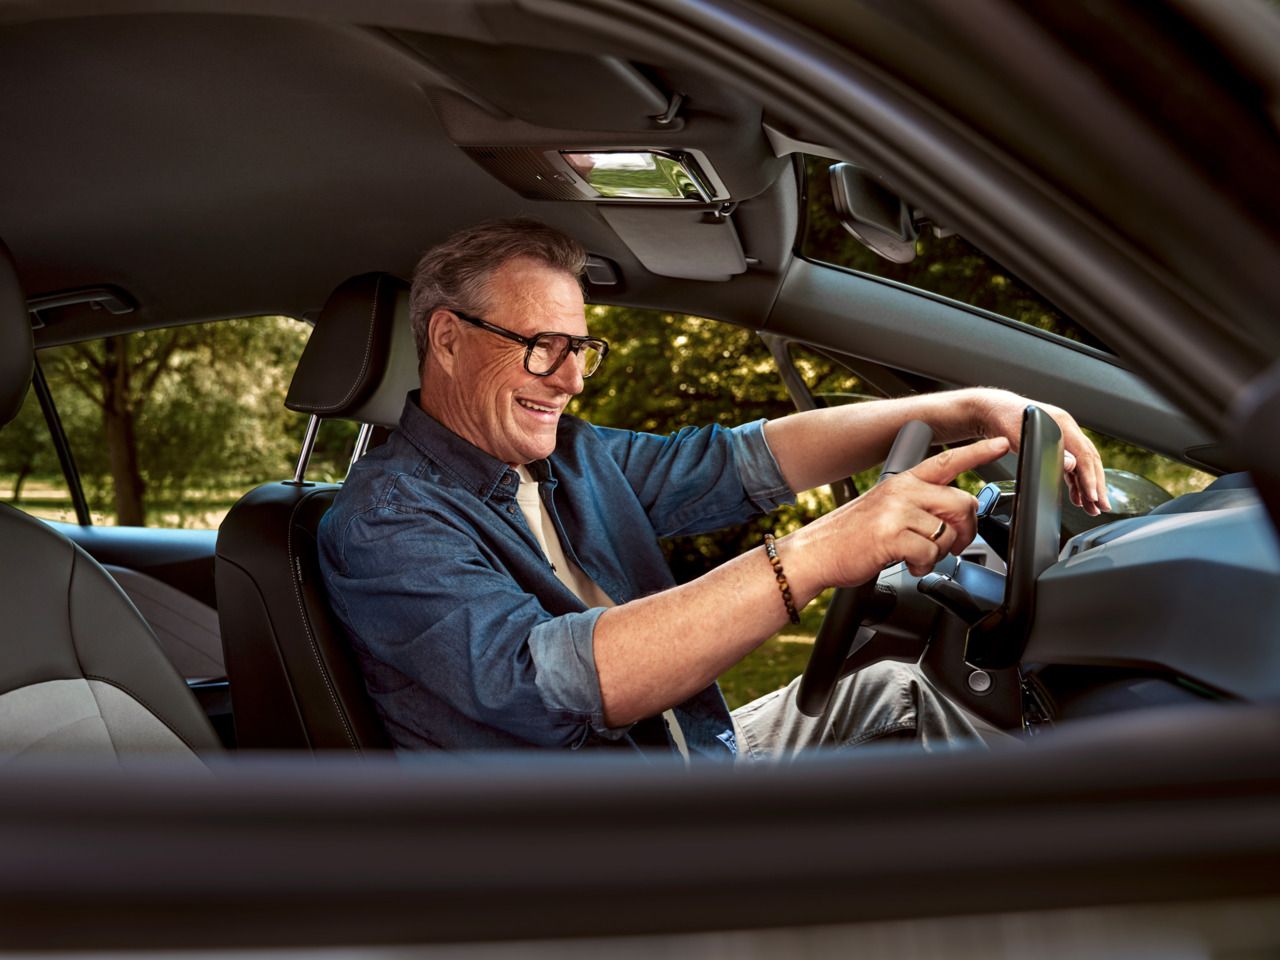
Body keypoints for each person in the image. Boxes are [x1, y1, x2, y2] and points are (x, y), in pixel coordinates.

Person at [317, 219, 1108, 760]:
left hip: (689, 754)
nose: (568, 380)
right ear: (449, 341)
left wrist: (962, 407)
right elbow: (560, 682)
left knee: (899, 688)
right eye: (541, 348)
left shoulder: (571, 457)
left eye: (580, 349)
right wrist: (821, 551)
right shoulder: (383, 521)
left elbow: (743, 462)